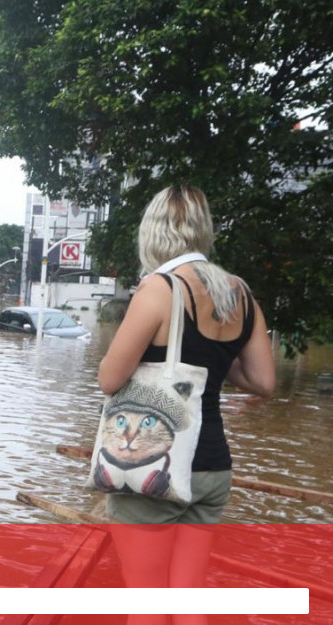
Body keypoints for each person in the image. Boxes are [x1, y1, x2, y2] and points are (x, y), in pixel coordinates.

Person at [97, 185, 274, 615]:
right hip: (212, 469)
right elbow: (264, 381)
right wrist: (215, 360)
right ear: (203, 231)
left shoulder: (158, 289)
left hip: (156, 469)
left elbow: (109, 378)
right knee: (188, 597)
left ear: (153, 233)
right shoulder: (240, 295)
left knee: (147, 601)